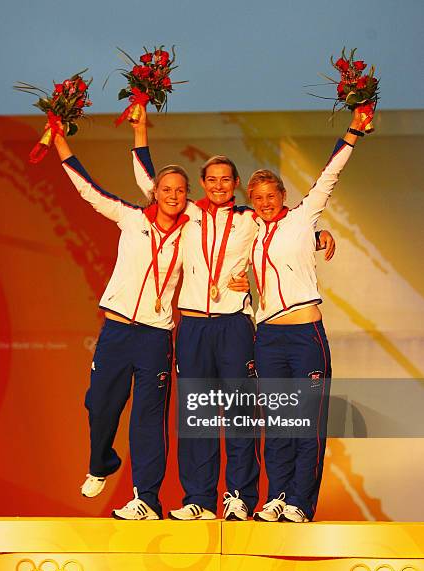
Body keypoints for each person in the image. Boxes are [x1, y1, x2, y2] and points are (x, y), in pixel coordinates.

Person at [131, 106, 336, 520]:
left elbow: (284, 233)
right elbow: (147, 182)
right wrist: (139, 130)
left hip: (235, 325)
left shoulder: (248, 218)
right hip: (192, 326)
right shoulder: (185, 213)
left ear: (236, 184)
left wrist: (318, 236)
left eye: (227, 179)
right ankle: (200, 499)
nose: (220, 185)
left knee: (242, 413)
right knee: (199, 412)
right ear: (202, 185)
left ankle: (240, 496)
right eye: (212, 180)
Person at [52, 125, 194, 520]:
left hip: (156, 335)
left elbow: (244, 234)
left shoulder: (194, 231)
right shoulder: (130, 218)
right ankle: (101, 462)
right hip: (116, 330)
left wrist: (316, 234)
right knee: (100, 405)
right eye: (167, 189)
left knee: (149, 419)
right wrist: (61, 142)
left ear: (187, 197)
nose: (173, 195)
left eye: (181, 191)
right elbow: (88, 190)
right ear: (155, 191)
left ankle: (146, 499)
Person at [248, 106, 373, 523]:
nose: (266, 204)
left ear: (283, 196)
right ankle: (277, 498)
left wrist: (354, 129)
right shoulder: (248, 229)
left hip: (304, 336)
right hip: (266, 339)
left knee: (307, 425)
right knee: (279, 425)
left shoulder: (302, 218)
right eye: (258, 198)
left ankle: (301, 503)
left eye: (272, 196)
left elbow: (329, 175)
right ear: (251, 202)